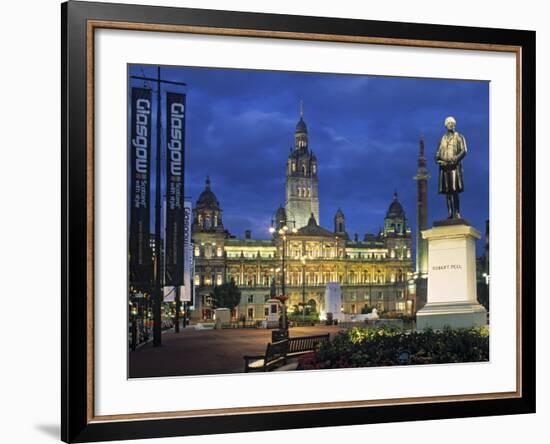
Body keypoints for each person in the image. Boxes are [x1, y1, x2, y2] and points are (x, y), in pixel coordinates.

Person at [435, 116, 467, 219]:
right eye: (449, 123)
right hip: (445, 168)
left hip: (454, 167)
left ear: (455, 125)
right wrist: (439, 161)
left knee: (454, 190)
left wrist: (456, 158)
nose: (451, 125)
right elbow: (437, 154)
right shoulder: (443, 138)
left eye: (452, 123)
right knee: (447, 191)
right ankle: (449, 213)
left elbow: (464, 150)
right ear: (446, 125)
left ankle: (457, 212)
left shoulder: (459, 136)